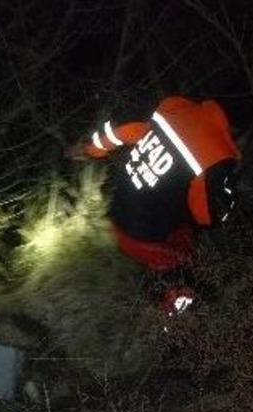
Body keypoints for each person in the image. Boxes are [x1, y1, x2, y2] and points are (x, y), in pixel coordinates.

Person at [74, 95, 241, 312]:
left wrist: (91, 148)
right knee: (183, 251)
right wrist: (228, 198)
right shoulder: (218, 155)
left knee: (172, 215)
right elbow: (206, 217)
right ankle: (173, 312)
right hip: (143, 237)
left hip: (117, 210)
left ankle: (160, 284)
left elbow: (126, 131)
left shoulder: (176, 107)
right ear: (234, 129)